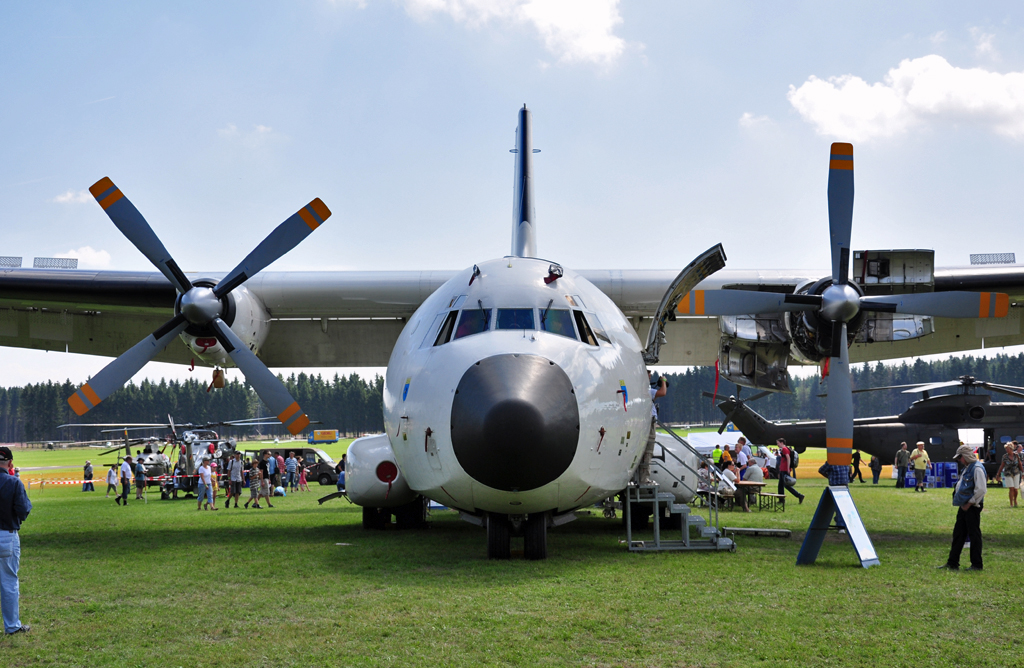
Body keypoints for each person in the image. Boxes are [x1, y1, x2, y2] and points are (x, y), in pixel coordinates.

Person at [939, 445, 987, 571]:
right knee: (958, 534)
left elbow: (981, 489)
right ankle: (952, 562)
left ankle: (977, 564)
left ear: (965, 456)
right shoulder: (968, 468)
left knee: (974, 535)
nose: (959, 460)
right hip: (965, 505)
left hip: (972, 506)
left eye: (960, 457)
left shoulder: (977, 468)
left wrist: (969, 503)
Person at [0, 447, 32, 635]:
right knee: (9, 582)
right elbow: (23, 510)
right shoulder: (14, 483)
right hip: (7, 535)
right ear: (10, 463)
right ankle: (12, 626)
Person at [636, 372, 667, 484]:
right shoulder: (647, 390)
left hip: (643, 421)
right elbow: (663, 392)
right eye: (648, 375)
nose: (650, 377)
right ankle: (644, 479)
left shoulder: (638, 389)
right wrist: (663, 382)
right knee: (648, 450)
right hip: (650, 421)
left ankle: (640, 478)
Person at [775, 438, 805, 504]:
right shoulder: (784, 449)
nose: (777, 444)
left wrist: (788, 468)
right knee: (781, 485)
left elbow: (788, 458)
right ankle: (781, 499)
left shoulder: (784, 449)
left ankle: (799, 496)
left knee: (785, 485)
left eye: (778, 443)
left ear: (782, 443)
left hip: (785, 470)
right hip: (783, 469)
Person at [994, 442, 1022, 508]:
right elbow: (1002, 466)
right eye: (1006, 449)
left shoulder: (1016, 455)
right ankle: (1011, 503)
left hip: (1016, 473)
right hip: (1008, 473)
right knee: (1011, 488)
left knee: (1015, 489)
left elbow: (1020, 464)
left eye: (1008, 449)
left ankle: (1015, 500)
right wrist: (998, 474)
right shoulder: (1005, 456)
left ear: (1011, 449)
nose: (1007, 450)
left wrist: (1023, 473)